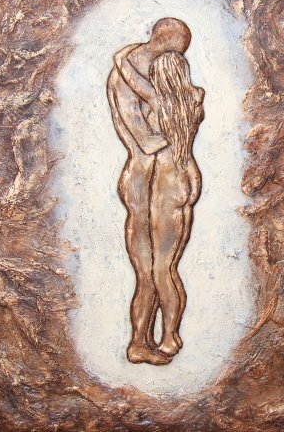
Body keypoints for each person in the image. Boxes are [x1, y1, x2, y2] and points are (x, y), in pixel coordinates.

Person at [106, 18, 204, 364]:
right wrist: (123, 64)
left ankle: (169, 337)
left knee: (162, 269)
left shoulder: (181, 101)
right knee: (146, 272)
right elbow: (148, 106)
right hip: (145, 184)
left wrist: (122, 61)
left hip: (170, 185)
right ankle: (139, 342)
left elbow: (150, 136)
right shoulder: (183, 97)